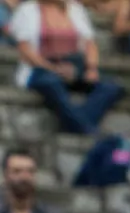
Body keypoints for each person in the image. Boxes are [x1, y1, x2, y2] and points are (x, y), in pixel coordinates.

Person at [8, 1, 123, 136]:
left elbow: (90, 44)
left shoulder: (76, 10)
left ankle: (77, 124)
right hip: (41, 68)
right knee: (51, 83)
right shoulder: (27, 10)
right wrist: (53, 68)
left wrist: (91, 69)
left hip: (73, 67)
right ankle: (85, 129)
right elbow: (25, 51)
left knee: (112, 86)